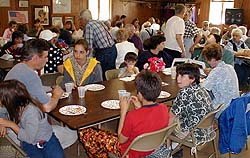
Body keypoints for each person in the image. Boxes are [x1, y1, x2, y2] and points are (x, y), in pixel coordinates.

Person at [4, 39, 77, 149]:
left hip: (10, 125)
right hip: (20, 133)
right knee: (73, 133)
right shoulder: (30, 75)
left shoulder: (18, 68)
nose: (47, 60)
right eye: (45, 57)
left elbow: (31, 88)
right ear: (35, 58)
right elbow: (47, 107)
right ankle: (40, 149)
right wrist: (56, 95)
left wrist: (51, 89)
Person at [79, 70, 170, 157]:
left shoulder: (132, 116)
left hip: (130, 152)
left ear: (140, 95)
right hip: (151, 147)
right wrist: (140, 108)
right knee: (102, 133)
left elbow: (121, 140)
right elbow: (148, 120)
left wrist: (123, 111)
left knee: (85, 134)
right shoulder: (164, 108)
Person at [0, 80, 65, 158]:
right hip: (29, 142)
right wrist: (2, 124)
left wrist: (11, 125)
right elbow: (3, 114)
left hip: (45, 141)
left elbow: (29, 138)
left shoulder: (31, 112)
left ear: (10, 100)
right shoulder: (14, 106)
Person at [168, 63, 215, 146]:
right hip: (208, 131)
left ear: (192, 78)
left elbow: (171, 116)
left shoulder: (184, 93)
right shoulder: (201, 88)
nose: (178, 79)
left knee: (168, 120)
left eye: (182, 76)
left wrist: (162, 133)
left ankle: (170, 149)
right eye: (178, 75)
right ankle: (175, 146)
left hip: (194, 135)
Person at [202, 43, 239, 116]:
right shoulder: (230, 67)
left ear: (212, 59)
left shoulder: (216, 71)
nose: (208, 63)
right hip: (234, 106)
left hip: (222, 109)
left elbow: (203, 88)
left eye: (207, 60)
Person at [79, 9, 117, 79]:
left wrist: (86, 62)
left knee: (102, 76)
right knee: (110, 75)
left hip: (104, 52)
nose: (80, 22)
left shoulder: (89, 25)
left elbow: (88, 46)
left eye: (80, 20)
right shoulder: (98, 22)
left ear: (84, 19)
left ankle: (104, 89)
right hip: (113, 49)